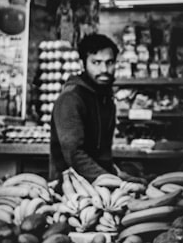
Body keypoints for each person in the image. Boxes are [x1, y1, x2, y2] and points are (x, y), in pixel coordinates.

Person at [50, 33, 135, 183]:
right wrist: (113, 181)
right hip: (71, 189)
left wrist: (118, 175)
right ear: (83, 64)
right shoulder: (71, 99)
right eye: (96, 62)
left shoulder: (105, 98)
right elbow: (74, 154)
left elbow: (102, 154)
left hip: (101, 185)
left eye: (109, 62)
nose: (104, 69)